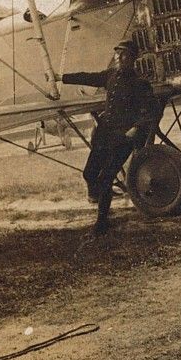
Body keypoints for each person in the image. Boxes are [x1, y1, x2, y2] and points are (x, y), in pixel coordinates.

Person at [54, 40, 158, 235]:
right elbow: (88, 77)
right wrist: (62, 77)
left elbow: (150, 111)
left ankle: (101, 223)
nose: (119, 58)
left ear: (133, 58)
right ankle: (102, 198)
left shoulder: (140, 83)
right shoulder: (110, 76)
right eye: (118, 54)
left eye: (124, 55)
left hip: (124, 138)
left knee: (105, 178)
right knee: (89, 174)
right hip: (105, 134)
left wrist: (136, 128)